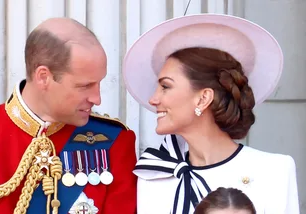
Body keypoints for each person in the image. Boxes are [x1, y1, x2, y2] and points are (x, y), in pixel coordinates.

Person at [0, 17, 137, 214]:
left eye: (99, 83)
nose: (97, 98)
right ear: (43, 77)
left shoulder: (113, 141)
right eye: (85, 86)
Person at [122, 14, 299, 214]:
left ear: (203, 98)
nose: (153, 99)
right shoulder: (152, 176)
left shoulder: (274, 171)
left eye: (165, 86)